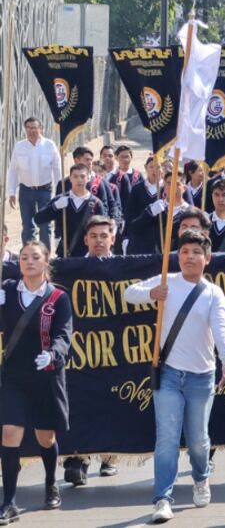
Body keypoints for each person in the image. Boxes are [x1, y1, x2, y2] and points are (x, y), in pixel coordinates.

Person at [123, 229, 225, 523]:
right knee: (167, 439)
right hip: (169, 373)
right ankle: (162, 498)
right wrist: (151, 294)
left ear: (207, 258)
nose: (189, 257)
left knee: (198, 440)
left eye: (196, 252)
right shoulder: (166, 281)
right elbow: (128, 293)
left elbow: (221, 328)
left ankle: (201, 476)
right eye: (184, 252)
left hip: (202, 375)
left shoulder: (213, 292)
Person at [0, 241, 74, 522]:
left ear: (46, 262)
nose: (28, 262)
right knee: (9, 433)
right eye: (23, 258)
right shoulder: (7, 291)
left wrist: (53, 355)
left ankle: (50, 482)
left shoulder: (58, 298)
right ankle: (9, 502)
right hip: (15, 375)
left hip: (46, 375)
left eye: (34, 257)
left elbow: (63, 335)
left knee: (46, 437)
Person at [61, 217, 120, 486]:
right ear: (85, 239)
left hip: (117, 349)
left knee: (112, 403)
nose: (98, 240)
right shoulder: (70, 268)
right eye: (93, 236)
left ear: (113, 238)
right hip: (80, 350)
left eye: (103, 235)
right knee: (79, 404)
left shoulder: (126, 267)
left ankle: (110, 456)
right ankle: (77, 459)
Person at [34, 163, 106, 258]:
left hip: (88, 255)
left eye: (82, 176)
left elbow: (103, 230)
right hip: (65, 253)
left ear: (88, 178)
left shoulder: (96, 203)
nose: (79, 179)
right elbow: (38, 219)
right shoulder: (61, 200)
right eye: (75, 176)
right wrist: (54, 207)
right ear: (70, 179)